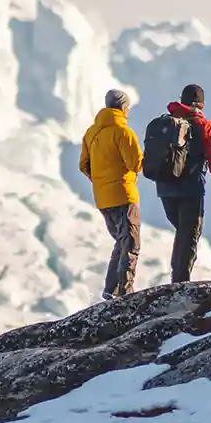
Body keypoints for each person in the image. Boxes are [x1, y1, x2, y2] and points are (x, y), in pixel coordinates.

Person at [154, 83, 211, 283]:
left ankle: (176, 277)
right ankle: (179, 284)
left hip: (165, 189)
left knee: (182, 232)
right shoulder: (205, 126)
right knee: (189, 235)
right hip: (190, 189)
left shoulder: (167, 122)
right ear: (202, 105)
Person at [78, 88, 143, 300]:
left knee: (121, 242)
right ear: (124, 107)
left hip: (103, 198)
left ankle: (111, 290)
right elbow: (136, 164)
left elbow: (84, 165)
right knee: (131, 244)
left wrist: (101, 182)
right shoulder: (123, 132)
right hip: (124, 194)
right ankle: (125, 293)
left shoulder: (91, 133)